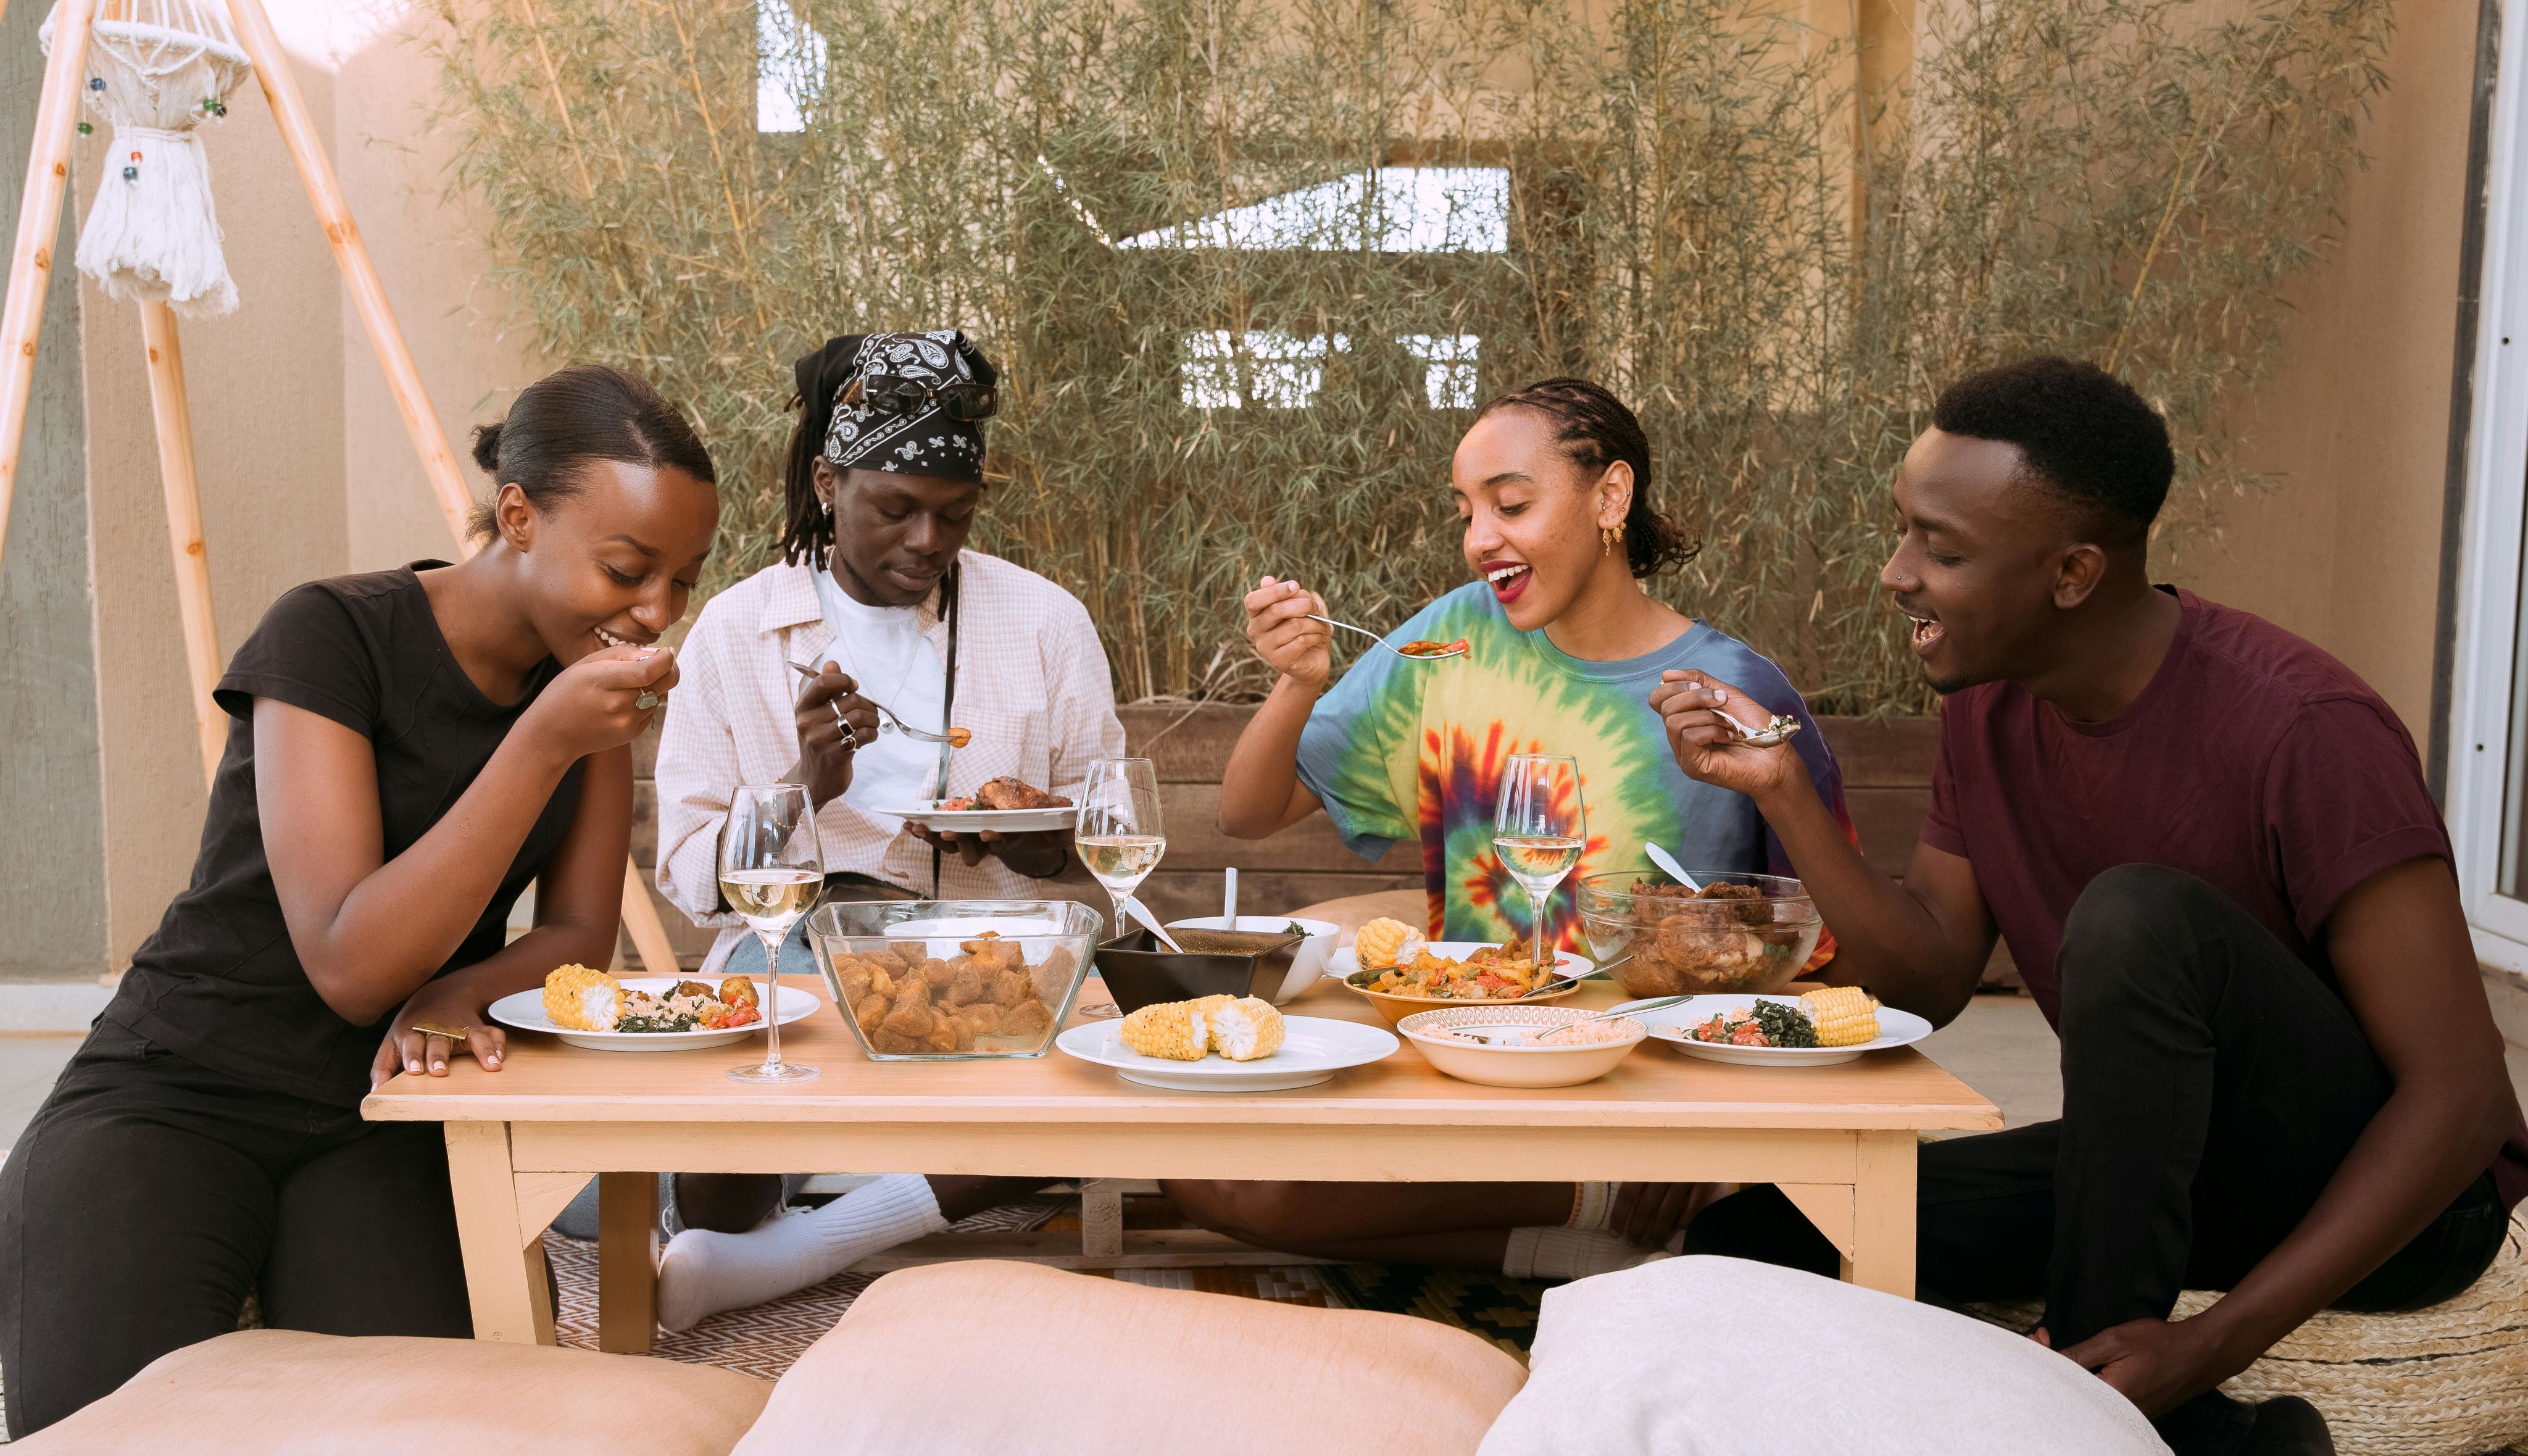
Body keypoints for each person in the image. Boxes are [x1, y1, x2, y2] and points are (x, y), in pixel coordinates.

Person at [1658, 357, 2528, 1456]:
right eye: (1904, 531)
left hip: (2391, 1201)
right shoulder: (1992, 711)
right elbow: (1925, 981)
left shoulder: (2306, 731)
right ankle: (2233, 1446)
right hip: (2158, 1164)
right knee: (1756, 1237)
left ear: (2072, 572)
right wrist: (1781, 790)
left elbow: (2462, 1098)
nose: (1895, 573)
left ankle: (2092, 1378)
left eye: (1944, 548)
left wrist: (2214, 1343)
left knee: (2135, 917)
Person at [0, 365, 717, 1437]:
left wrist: (460, 992)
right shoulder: (330, 636)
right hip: (178, 1085)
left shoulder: (580, 693)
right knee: (107, 1433)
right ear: (517, 516)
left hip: (382, 1108)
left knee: (413, 1432)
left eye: (683, 581)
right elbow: (350, 963)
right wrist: (544, 739)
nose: (654, 614)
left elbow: (577, 936)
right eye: (626, 570)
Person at [1169, 376, 1858, 1278]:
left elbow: (1823, 954)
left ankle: (1622, 1215)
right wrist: (1298, 681)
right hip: (1454, 1062)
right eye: (1465, 512)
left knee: (1249, 1193)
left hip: (1641, 1092)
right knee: (1193, 1174)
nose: (1479, 539)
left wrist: (1719, 1143)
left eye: (1511, 504)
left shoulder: (1736, 689)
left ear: (1611, 496)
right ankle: (1585, 1253)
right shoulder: (1447, 643)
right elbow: (1249, 813)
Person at [650, 329, 1125, 1330]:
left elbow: (1112, 826)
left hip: (1000, 953)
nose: (926, 542)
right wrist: (804, 786)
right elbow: (691, 876)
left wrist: (1055, 847)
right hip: (800, 949)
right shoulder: (739, 631)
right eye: (895, 509)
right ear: (828, 481)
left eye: (954, 516)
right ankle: (778, 1218)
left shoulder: (1042, 621)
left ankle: (795, 1253)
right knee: (713, 1188)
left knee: (1111, 1091)